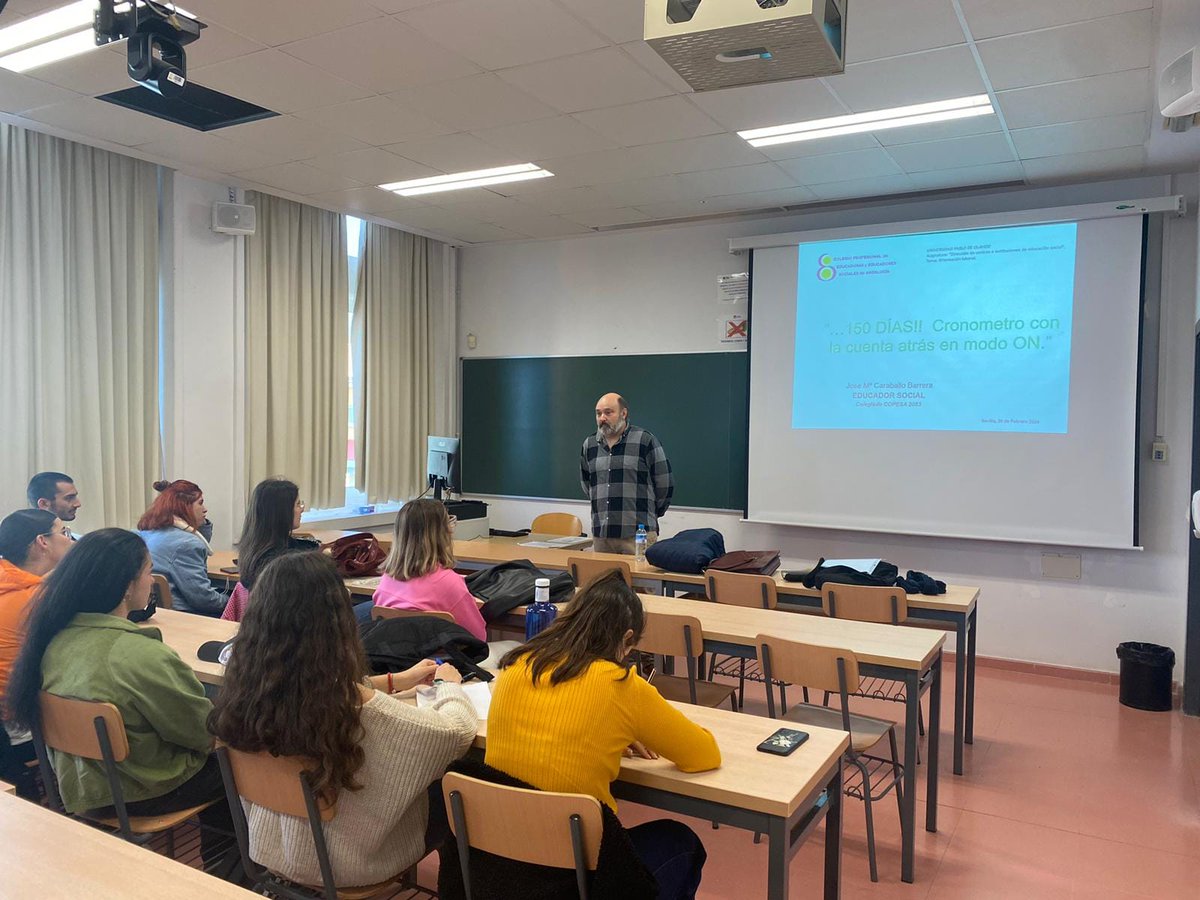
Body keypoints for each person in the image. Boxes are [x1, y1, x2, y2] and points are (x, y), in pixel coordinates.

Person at [210, 551, 476, 888]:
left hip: (271, 848)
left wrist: (395, 681)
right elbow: (457, 731)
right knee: (452, 788)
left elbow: (330, 687)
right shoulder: (362, 712)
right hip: (350, 865)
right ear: (337, 624)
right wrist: (448, 686)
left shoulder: (244, 693)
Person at [4, 529, 238, 879]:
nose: (152, 580)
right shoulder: (141, 655)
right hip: (143, 791)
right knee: (239, 762)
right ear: (127, 586)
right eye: (148, 571)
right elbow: (203, 733)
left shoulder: (49, 641)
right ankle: (228, 874)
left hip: (78, 784)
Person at [486, 570, 719, 900]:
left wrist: (614, 732)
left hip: (502, 865)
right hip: (575, 876)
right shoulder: (621, 685)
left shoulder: (516, 666)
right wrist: (631, 726)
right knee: (681, 843)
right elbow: (703, 755)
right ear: (626, 640)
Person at [0, 509, 73, 799]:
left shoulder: (10, 582)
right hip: (20, 722)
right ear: (42, 542)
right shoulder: (36, 600)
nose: (70, 540)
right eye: (64, 533)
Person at [372, 499, 487, 641]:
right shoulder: (450, 583)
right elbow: (478, 636)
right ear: (442, 533)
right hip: (444, 661)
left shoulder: (387, 579)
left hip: (400, 659)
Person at [580, 393, 674, 555]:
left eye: (608, 412)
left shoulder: (644, 440)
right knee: (603, 581)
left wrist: (649, 513)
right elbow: (587, 484)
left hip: (638, 535)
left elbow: (664, 484)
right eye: (598, 413)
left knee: (641, 581)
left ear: (623, 413)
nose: (602, 418)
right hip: (602, 535)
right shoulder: (589, 445)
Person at [222, 478, 318, 622]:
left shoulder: (253, 550)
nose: (302, 508)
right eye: (298, 504)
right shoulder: (284, 562)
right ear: (282, 512)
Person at [137, 480, 226, 617]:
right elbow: (204, 600)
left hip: (151, 613)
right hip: (185, 615)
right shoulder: (187, 544)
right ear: (184, 506)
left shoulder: (143, 534)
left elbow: (199, 539)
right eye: (200, 503)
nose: (205, 509)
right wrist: (233, 601)